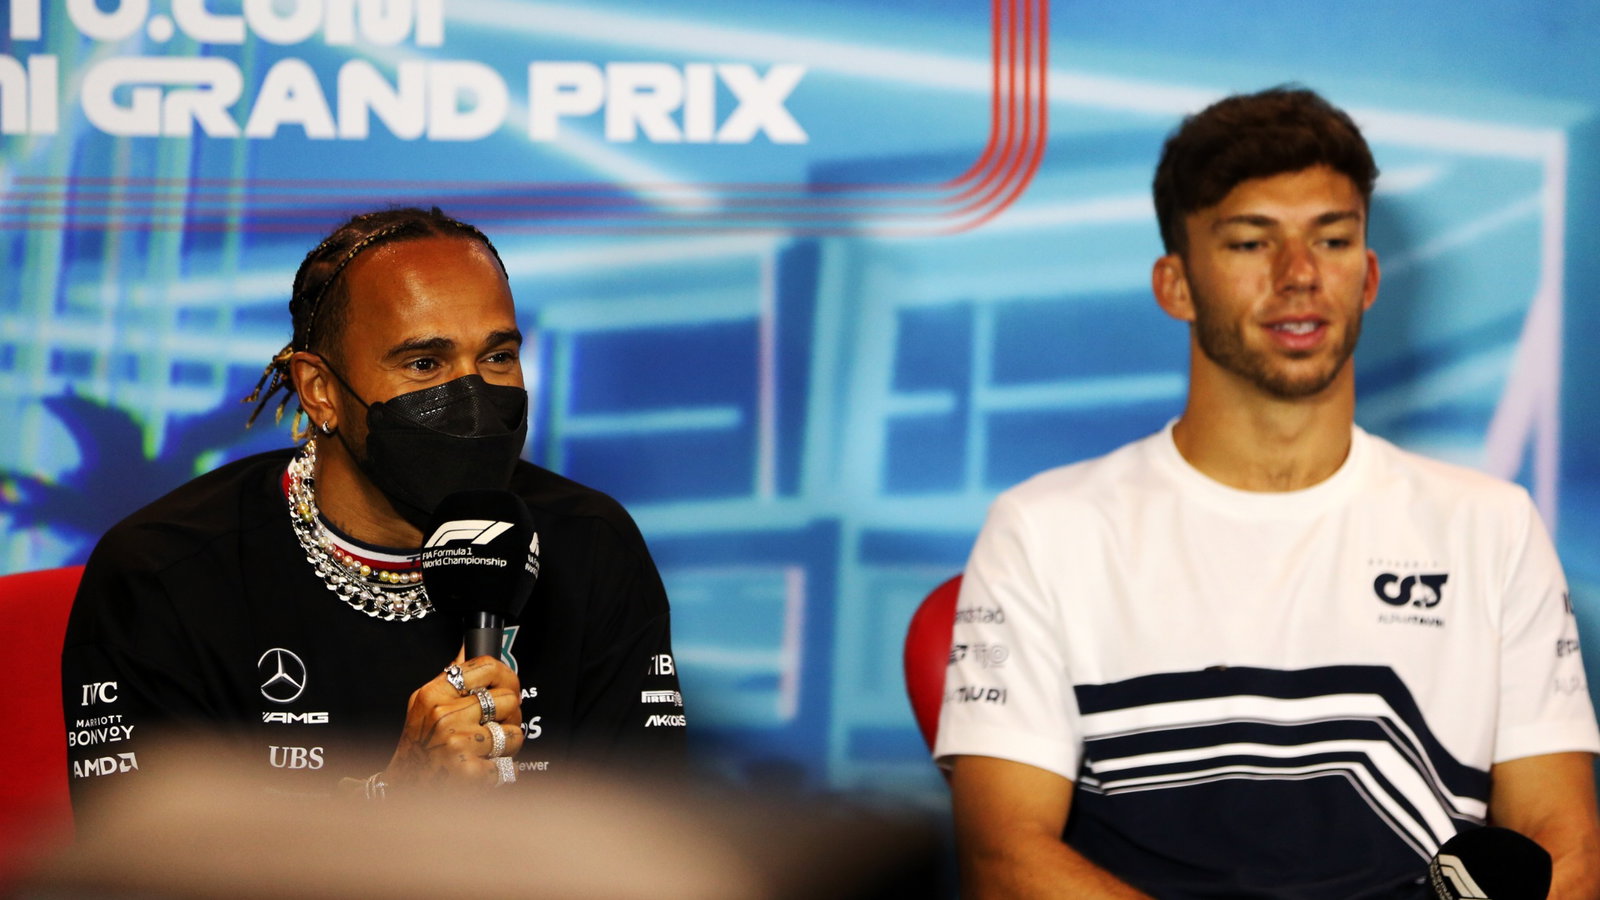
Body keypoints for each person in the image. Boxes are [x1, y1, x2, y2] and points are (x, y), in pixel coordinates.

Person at [935, 87, 1600, 899]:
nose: (1299, 275)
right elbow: (1004, 861)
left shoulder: (1490, 526)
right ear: (1175, 285)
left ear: (1369, 276)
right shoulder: (1046, 530)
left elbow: (1562, 847)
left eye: (1333, 238)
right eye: (1253, 242)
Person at [62, 207, 686, 806]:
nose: (472, 398)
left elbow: (653, 841)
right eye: (424, 363)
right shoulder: (162, 577)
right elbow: (149, 869)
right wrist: (397, 794)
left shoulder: (591, 544)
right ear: (321, 391)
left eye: (497, 357)